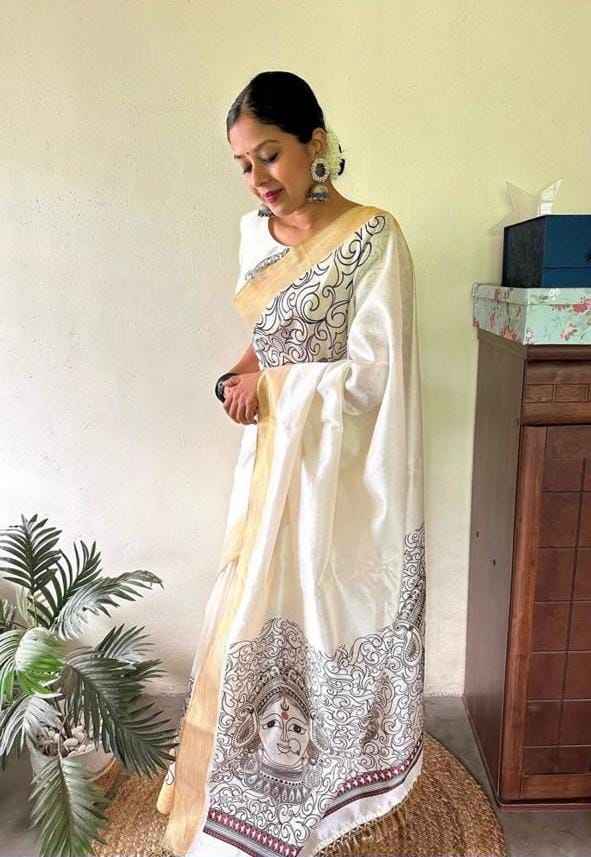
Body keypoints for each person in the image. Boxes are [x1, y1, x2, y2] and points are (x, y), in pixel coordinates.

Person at [156, 70, 426, 857]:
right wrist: (240, 375)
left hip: (340, 476)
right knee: (247, 612)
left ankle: (329, 789)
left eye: (269, 154)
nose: (258, 178)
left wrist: (272, 388)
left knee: (326, 612)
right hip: (271, 466)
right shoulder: (254, 236)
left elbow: (373, 374)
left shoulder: (374, 237)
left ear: (316, 143)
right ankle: (242, 797)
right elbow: (269, 333)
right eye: (243, 164)